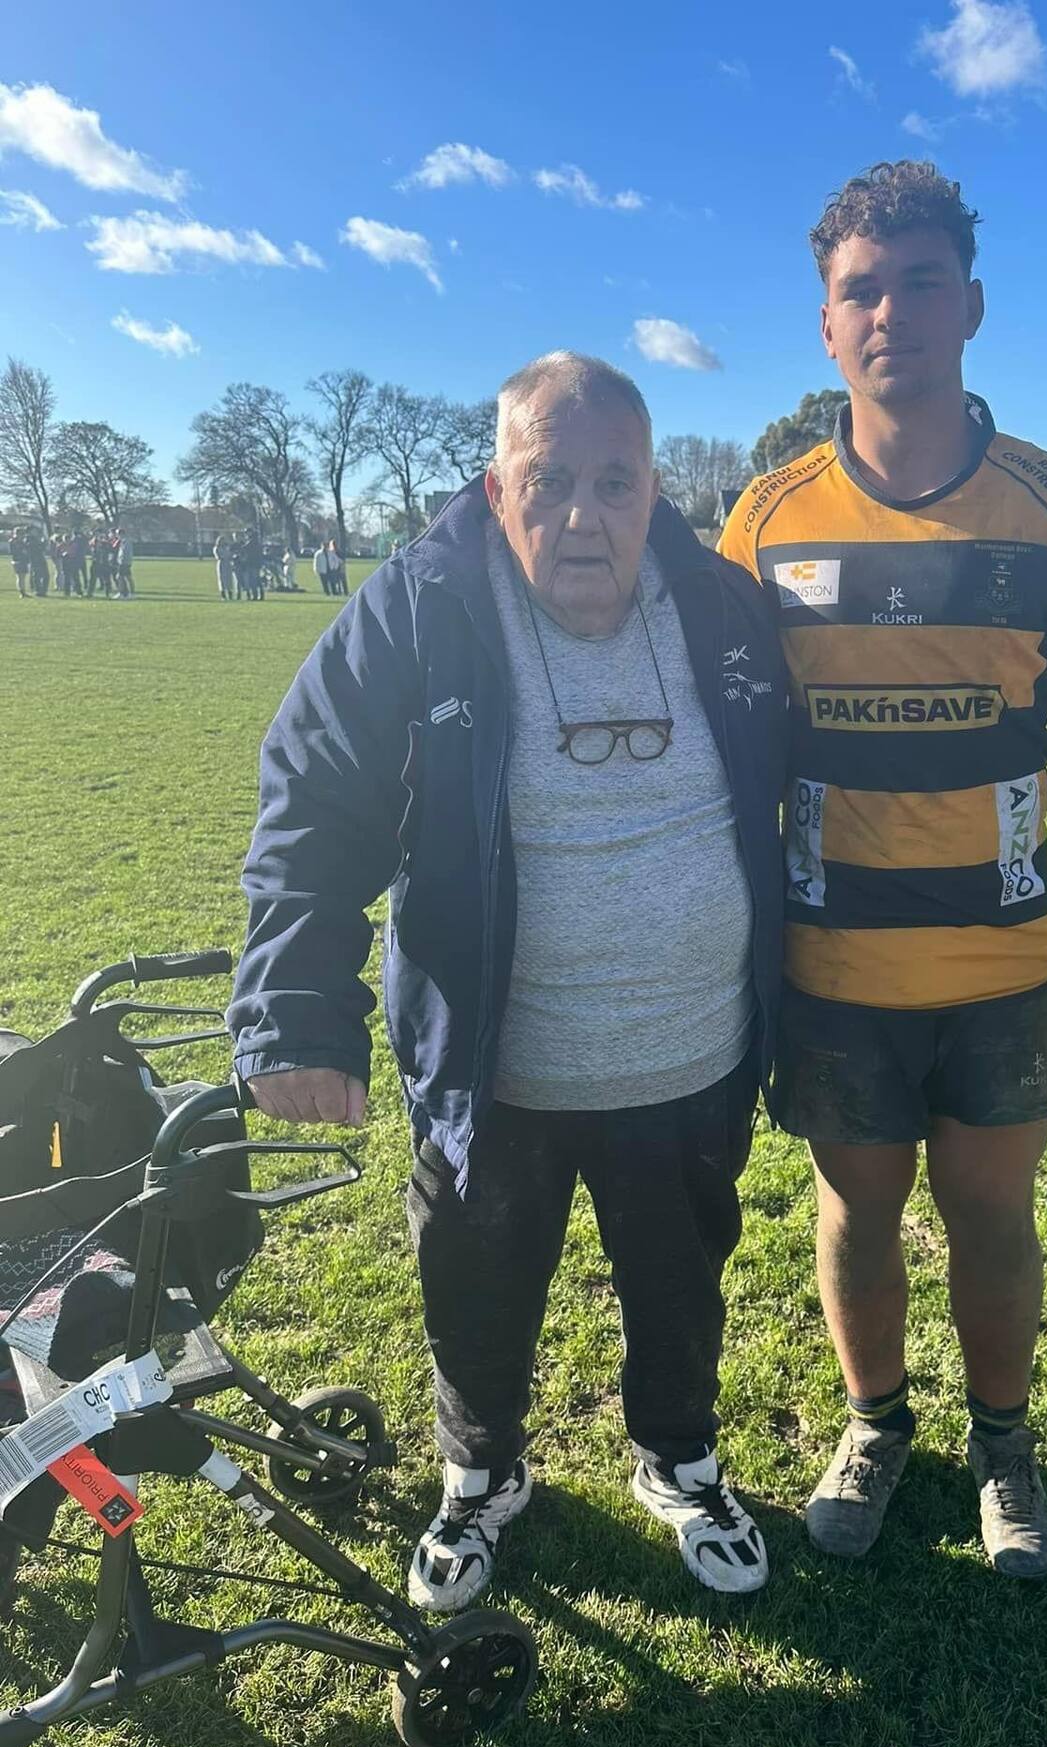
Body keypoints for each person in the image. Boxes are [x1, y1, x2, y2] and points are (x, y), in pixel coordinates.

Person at [229, 351, 787, 1607]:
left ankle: (680, 1461)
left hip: (691, 1056)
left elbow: (802, 784)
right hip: (494, 1075)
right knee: (474, 1284)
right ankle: (481, 1480)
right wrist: (294, 1011)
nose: (584, 514)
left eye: (613, 481)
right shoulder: (420, 610)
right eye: (550, 480)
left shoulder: (722, 607)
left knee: (681, 1279)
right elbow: (312, 801)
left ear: (655, 492)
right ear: (497, 487)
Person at [719, 160, 1047, 1580]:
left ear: (969, 305)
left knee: (990, 1211)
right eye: (861, 289)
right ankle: (874, 1423)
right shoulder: (765, 521)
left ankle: (1005, 1443)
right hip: (830, 960)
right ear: (826, 324)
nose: (890, 309)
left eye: (919, 281)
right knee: (856, 1208)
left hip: (1003, 960)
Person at [87, 530, 111, 599]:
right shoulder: (93, 542)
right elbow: (90, 546)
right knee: (92, 580)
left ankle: (107, 593)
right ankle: (90, 593)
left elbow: (109, 548)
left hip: (104, 564)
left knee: (107, 580)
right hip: (96, 563)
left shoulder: (105, 543)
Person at [113, 527, 134, 599]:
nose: (116, 535)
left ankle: (123, 593)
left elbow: (126, 553)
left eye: (117, 534)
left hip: (124, 562)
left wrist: (123, 561)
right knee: (126, 577)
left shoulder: (126, 541)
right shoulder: (122, 541)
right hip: (123, 562)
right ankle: (128, 593)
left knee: (121, 577)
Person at [27, 528, 49, 596]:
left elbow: (42, 548)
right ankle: (38, 590)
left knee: (46, 575)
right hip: (35, 560)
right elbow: (35, 548)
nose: (35, 532)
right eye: (33, 531)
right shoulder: (29, 539)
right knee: (37, 576)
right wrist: (42, 543)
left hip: (41, 558)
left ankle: (43, 590)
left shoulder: (37, 539)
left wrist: (44, 542)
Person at [8, 527, 29, 598]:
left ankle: (23, 591)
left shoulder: (22, 541)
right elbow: (14, 551)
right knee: (20, 577)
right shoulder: (14, 541)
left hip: (23, 560)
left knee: (22, 577)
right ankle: (22, 592)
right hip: (17, 560)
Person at [214, 533, 236, 601]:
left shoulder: (227, 547)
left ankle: (230, 595)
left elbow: (230, 554)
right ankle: (223, 595)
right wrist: (226, 556)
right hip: (222, 563)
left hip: (228, 564)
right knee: (222, 579)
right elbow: (218, 556)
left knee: (229, 579)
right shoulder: (216, 548)